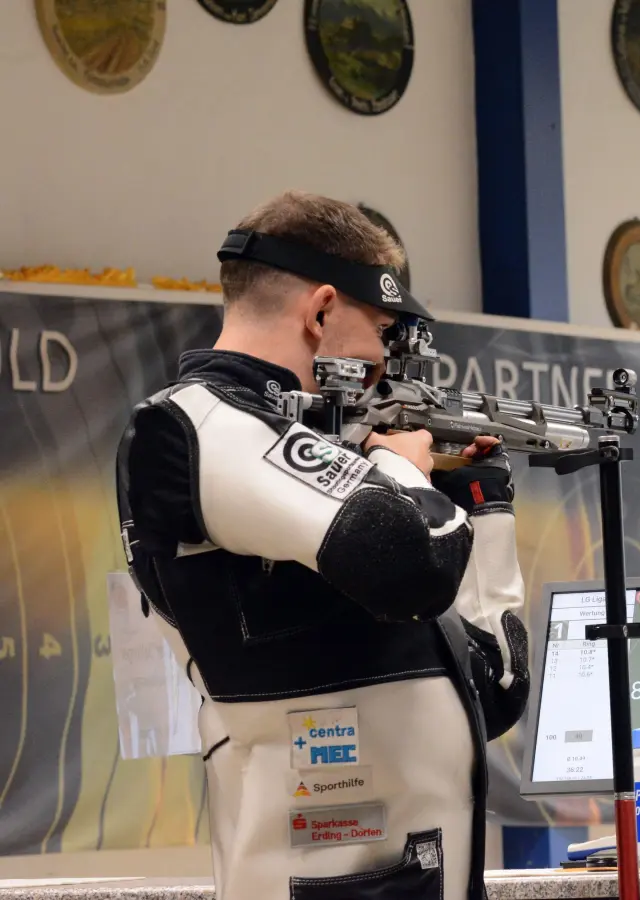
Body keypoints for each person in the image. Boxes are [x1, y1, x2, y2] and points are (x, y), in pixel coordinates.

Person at [115, 191, 530, 900]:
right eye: (381, 332)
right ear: (321, 312)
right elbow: (413, 566)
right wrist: (400, 466)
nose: (384, 364)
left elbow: (494, 689)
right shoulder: (194, 429)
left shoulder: (312, 463)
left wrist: (482, 501)